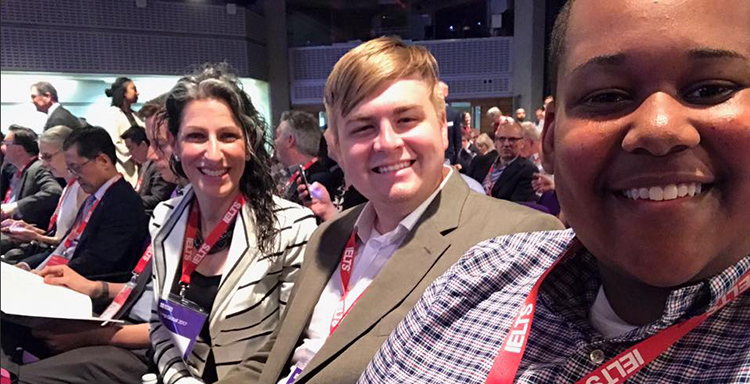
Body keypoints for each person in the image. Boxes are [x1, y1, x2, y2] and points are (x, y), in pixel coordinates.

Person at [361, 0, 750, 382]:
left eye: (710, 89)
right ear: (550, 140)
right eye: (607, 97)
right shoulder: (479, 275)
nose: (659, 129)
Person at [217, 36, 562, 384]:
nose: (387, 142)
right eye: (363, 127)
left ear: (442, 129)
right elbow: (280, 356)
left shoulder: (521, 240)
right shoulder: (328, 236)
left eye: (406, 120)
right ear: (335, 146)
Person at [148, 63, 317, 384]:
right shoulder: (163, 219)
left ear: (248, 142)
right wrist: (180, 381)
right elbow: (159, 322)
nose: (213, 154)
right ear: (174, 141)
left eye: (227, 136)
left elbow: (291, 341)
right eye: (196, 136)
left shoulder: (294, 227)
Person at [17, 126, 148, 282]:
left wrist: (47, 274)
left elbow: (100, 262)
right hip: (62, 273)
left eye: (76, 167)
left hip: (82, 285)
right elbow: (64, 247)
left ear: (103, 161)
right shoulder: (95, 198)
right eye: (70, 168)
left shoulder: (123, 203)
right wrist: (29, 265)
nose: (74, 175)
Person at [1, 126, 88, 261]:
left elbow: (70, 245)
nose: (45, 164)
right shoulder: (69, 187)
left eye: (47, 157)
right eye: (42, 157)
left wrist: (36, 237)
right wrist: (31, 230)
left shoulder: (83, 190)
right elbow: (58, 237)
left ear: (69, 153)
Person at [0, 125, 62, 230]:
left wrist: (16, 206)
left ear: (19, 150)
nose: (2, 147)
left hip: (24, 231)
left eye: (6, 144)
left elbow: (54, 192)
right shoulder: (15, 170)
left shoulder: (38, 168)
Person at [273, 110, 339, 204]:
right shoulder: (302, 175)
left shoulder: (319, 182)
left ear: (290, 140)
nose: (275, 142)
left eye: (277, 135)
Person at [470, 120, 537, 202]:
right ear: (495, 142)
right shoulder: (479, 162)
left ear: (522, 143)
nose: (506, 144)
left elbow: (517, 208)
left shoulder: (528, 171)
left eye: (512, 139)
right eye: (501, 139)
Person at [121, 125, 176, 216]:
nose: (130, 153)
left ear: (143, 145)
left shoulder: (158, 166)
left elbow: (158, 198)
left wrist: (128, 200)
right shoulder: (143, 166)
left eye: (131, 148)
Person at [100, 77, 143, 187]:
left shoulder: (136, 115)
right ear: (123, 92)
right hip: (125, 165)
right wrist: (133, 155)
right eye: (133, 89)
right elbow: (114, 141)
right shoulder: (111, 114)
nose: (137, 93)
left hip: (142, 162)